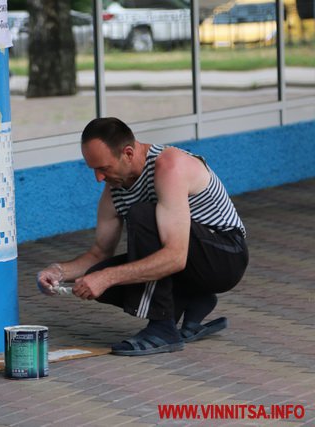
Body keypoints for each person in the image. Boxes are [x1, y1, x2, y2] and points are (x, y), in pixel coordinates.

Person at [37, 117, 248, 356]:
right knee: (97, 276)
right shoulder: (114, 190)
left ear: (128, 153)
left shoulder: (169, 166)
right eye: (93, 169)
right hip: (192, 261)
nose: (98, 178)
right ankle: (192, 298)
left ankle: (162, 328)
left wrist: (108, 277)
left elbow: (176, 257)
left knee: (143, 215)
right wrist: (57, 272)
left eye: (103, 168)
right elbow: (99, 252)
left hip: (226, 257)